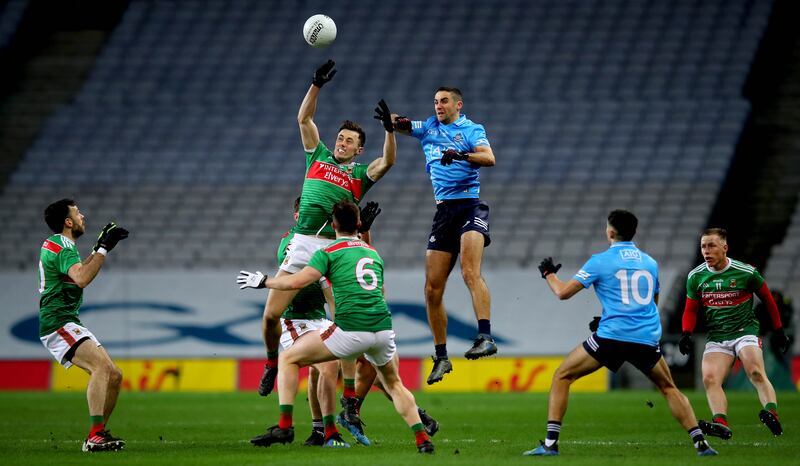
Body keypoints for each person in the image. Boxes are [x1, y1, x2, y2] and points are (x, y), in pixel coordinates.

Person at [237, 199, 434, 453]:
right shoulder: (372, 252)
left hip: (349, 327)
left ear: (331, 224)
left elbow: (298, 281)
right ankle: (422, 439)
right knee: (394, 383)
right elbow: (380, 290)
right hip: (383, 327)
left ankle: (287, 423)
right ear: (360, 224)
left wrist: (264, 281)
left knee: (291, 359)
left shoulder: (325, 252)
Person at [254, 59, 397, 397]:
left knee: (344, 321)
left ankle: (350, 395)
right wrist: (315, 84)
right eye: (341, 138)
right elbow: (304, 118)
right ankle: (272, 362)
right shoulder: (316, 156)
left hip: (335, 251)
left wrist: (389, 131)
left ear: (359, 149)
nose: (342, 143)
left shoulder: (359, 175)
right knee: (270, 317)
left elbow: (388, 161)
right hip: (303, 243)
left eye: (349, 141)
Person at [527, 210, 717, 457]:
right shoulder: (650, 263)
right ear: (633, 232)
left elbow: (562, 293)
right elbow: (651, 301)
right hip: (645, 338)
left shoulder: (600, 260)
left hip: (612, 337)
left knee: (562, 376)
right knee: (669, 388)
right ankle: (700, 443)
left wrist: (548, 274)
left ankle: (550, 444)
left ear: (610, 232)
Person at [393, 86, 497, 385]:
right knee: (431, 289)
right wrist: (391, 120)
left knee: (469, 271)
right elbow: (402, 124)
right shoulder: (428, 128)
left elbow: (489, 158)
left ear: (458, 105)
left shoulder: (471, 129)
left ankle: (485, 336)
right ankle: (441, 356)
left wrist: (463, 155)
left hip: (470, 206)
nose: (438, 105)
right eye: (436, 101)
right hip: (444, 213)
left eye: (444, 101)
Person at [241, 196, 344, 447]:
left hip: (318, 319)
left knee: (326, 368)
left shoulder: (326, 241)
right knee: (328, 364)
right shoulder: (292, 242)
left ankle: (319, 431)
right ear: (297, 216)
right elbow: (303, 278)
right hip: (295, 320)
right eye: (302, 214)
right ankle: (328, 431)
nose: (306, 218)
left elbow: (330, 284)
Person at [679, 228, 789, 439]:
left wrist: (779, 329)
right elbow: (690, 309)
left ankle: (771, 412)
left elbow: (768, 300)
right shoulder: (696, 276)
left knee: (755, 371)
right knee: (710, 379)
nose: (706, 251)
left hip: (744, 331)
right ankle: (720, 422)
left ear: (725, 248)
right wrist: (686, 333)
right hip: (717, 336)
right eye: (703, 246)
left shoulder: (746, 272)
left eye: (711, 246)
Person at [38, 199, 129, 452]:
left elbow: (77, 270)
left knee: (115, 375)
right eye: (77, 213)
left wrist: (101, 247)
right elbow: (81, 278)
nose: (83, 216)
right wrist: (102, 250)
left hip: (67, 320)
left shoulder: (60, 245)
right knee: (101, 367)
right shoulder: (62, 245)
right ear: (68, 222)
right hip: (57, 321)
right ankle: (95, 436)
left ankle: (97, 433)